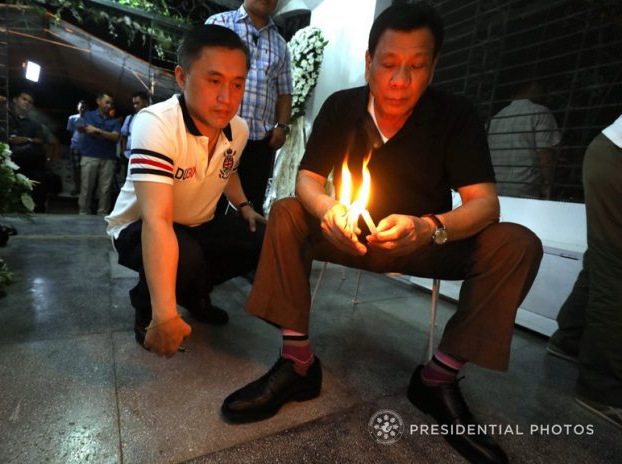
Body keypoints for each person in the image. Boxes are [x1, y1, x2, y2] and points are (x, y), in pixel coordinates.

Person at [220, 4, 543, 464]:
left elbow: (484, 204)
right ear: (369, 61)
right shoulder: (342, 107)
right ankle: (297, 361)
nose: (399, 81)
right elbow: (307, 182)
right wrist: (329, 210)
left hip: (422, 246)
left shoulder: (455, 115)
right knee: (291, 211)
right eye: (389, 64)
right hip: (345, 238)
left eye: (416, 67)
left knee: (517, 243)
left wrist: (430, 228)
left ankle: (438, 378)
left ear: (434, 67)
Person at [105, 24, 266, 355]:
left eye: (237, 85)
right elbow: (157, 221)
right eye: (214, 81)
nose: (227, 97)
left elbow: (228, 169)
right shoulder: (156, 123)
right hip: (140, 227)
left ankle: (194, 293)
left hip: (196, 225)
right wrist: (166, 315)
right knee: (184, 254)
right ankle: (147, 306)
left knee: (260, 237)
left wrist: (245, 206)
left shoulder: (238, 129)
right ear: (181, 77)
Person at [547, 113, 622, 430]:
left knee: (604, 261)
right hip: (617, 157)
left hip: (609, 151)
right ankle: (602, 389)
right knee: (616, 269)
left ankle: (569, 339)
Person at [206, 0, 293, 214]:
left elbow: (284, 92)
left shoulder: (281, 45)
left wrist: (282, 126)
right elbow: (202, 74)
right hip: (217, 134)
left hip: (258, 143)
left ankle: (242, 246)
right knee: (209, 202)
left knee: (250, 206)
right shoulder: (219, 25)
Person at [487, 80, 561, 199]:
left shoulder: (496, 118)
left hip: (494, 190)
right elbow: (546, 157)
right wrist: (548, 185)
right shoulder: (540, 112)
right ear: (534, 85)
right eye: (544, 89)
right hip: (524, 194)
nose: (546, 95)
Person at [78, 92, 121, 215]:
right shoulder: (88, 115)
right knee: (86, 187)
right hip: (89, 155)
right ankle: (83, 213)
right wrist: (107, 134)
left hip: (108, 158)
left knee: (105, 189)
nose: (109, 105)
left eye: (111, 103)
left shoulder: (115, 121)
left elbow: (115, 137)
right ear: (98, 101)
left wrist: (97, 131)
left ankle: (102, 214)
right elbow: (88, 131)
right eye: (107, 102)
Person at [7, 90, 47, 212]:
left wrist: (26, 139)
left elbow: (40, 141)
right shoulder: (6, 118)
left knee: (36, 190)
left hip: (30, 164)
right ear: (15, 100)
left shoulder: (35, 124)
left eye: (30, 102)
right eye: (24, 99)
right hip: (10, 162)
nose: (27, 103)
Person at [120, 91, 150, 160]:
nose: (135, 106)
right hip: (128, 155)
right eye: (134, 103)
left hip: (143, 156)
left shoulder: (151, 118)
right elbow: (124, 136)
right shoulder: (130, 118)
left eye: (137, 103)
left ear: (145, 102)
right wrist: (123, 151)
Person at [66, 100, 87, 195]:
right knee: (76, 169)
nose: (82, 109)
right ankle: (77, 188)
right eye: (80, 107)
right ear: (77, 107)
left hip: (87, 148)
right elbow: (70, 132)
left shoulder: (90, 119)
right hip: (75, 147)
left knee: (86, 170)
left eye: (84, 107)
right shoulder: (72, 118)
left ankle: (85, 189)